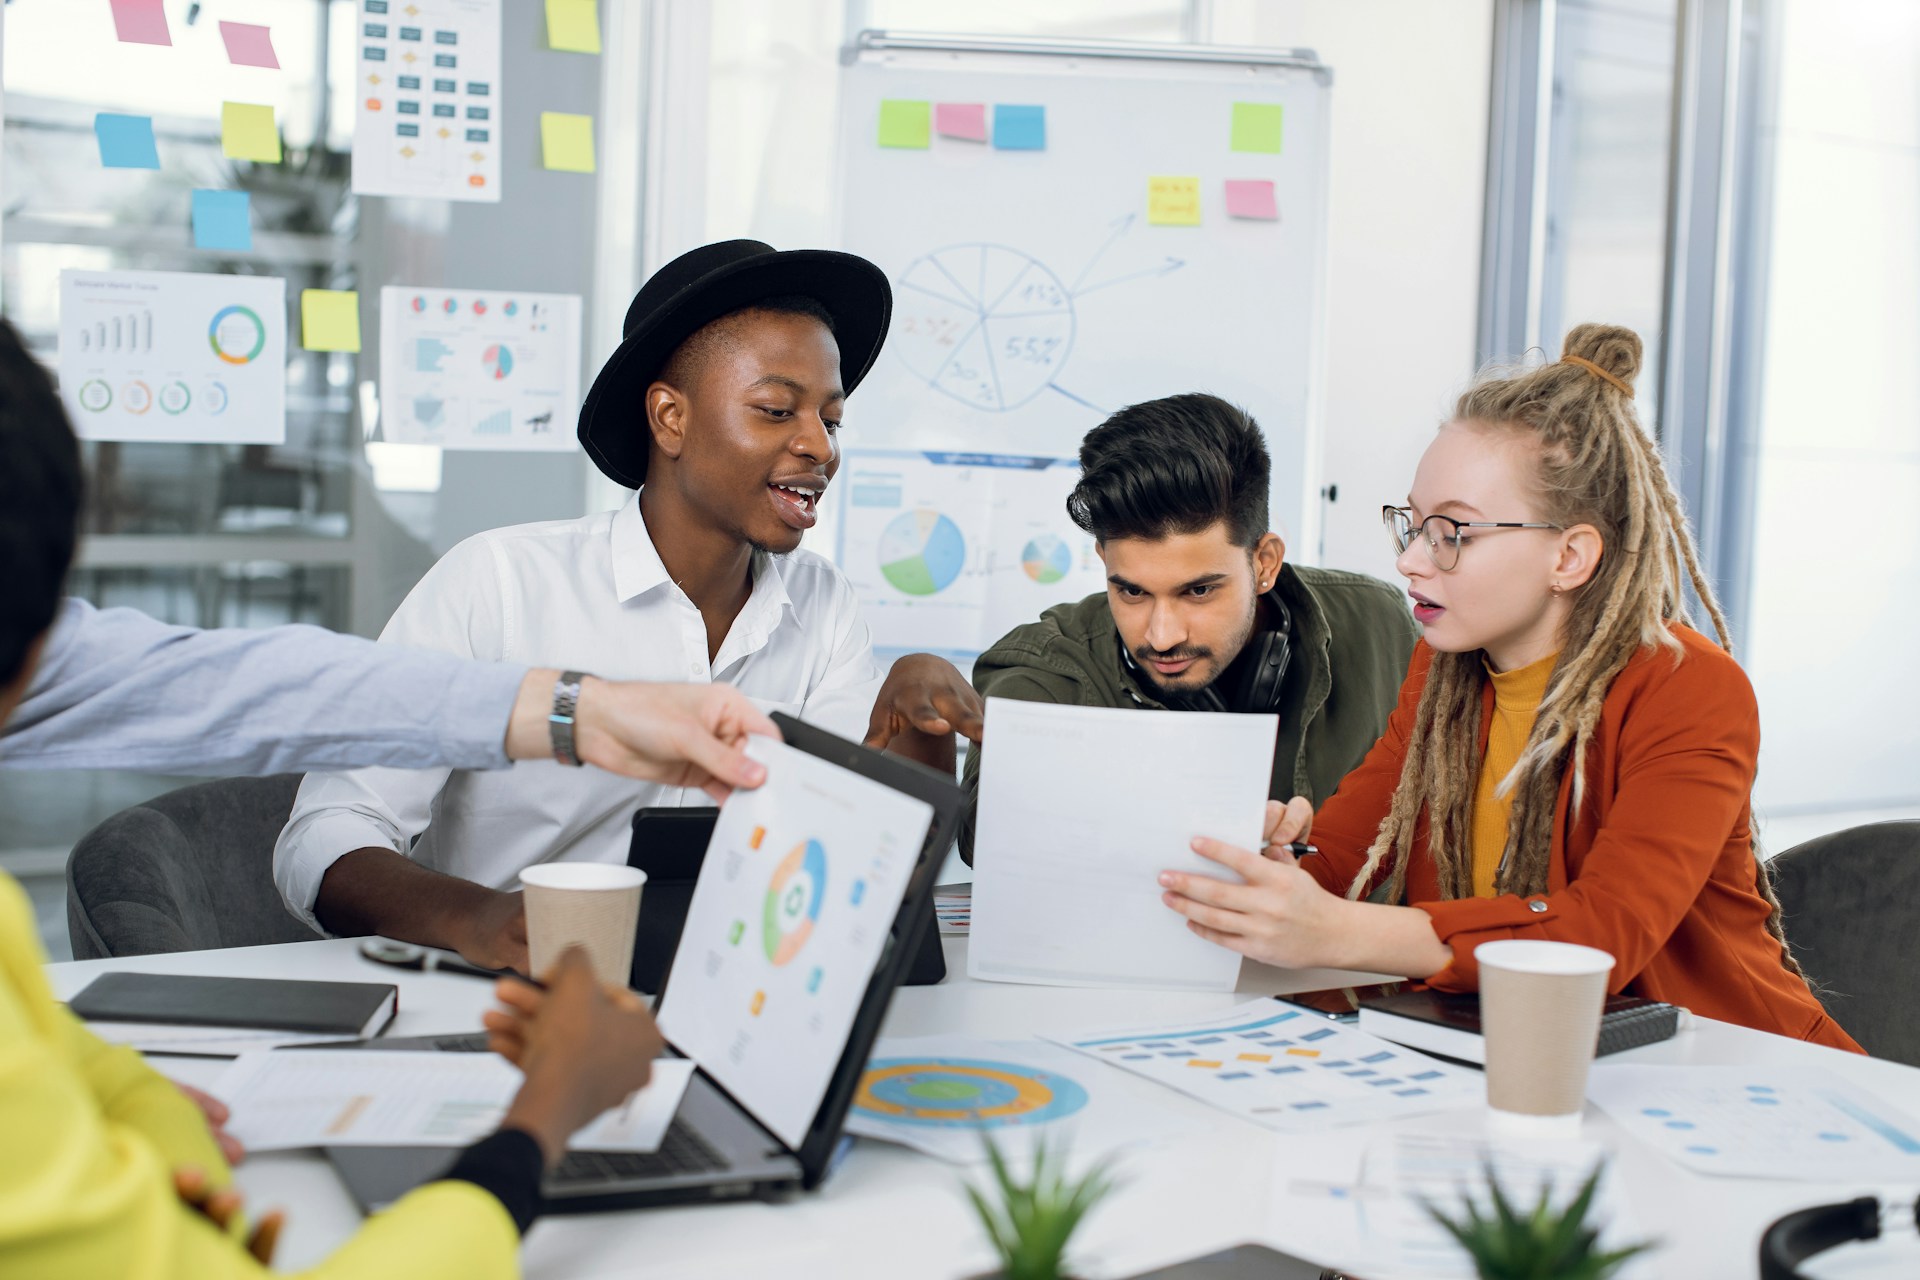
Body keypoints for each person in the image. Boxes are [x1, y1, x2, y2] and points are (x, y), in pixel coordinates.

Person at [0, 316, 773, 1275]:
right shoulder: (504, 576)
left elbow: (237, 683)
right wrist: (539, 1122)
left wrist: (145, 1115)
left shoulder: (816, 600)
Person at [1157, 325, 1860, 1052]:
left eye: (1454, 532)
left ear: (1570, 554)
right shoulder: (1446, 673)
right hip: (1532, 1057)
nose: (1413, 563)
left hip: (1740, 1069)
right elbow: (1345, 862)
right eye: (1414, 525)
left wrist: (1334, 929)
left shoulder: (1690, 688)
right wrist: (1277, 871)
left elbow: (1596, 937)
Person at [275, 240, 896, 974]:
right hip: (502, 1003)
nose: (818, 445)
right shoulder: (499, 582)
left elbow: (838, 841)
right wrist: (482, 920)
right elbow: (327, 835)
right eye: (775, 410)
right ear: (670, 418)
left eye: (832, 420)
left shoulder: (823, 607)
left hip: (737, 996)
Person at [865, 393, 1419, 859]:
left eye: (1198, 590)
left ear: (1265, 563)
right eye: (1130, 590)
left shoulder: (1380, 624)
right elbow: (987, 843)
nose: (1161, 635)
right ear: (1103, 559)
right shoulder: (1041, 670)